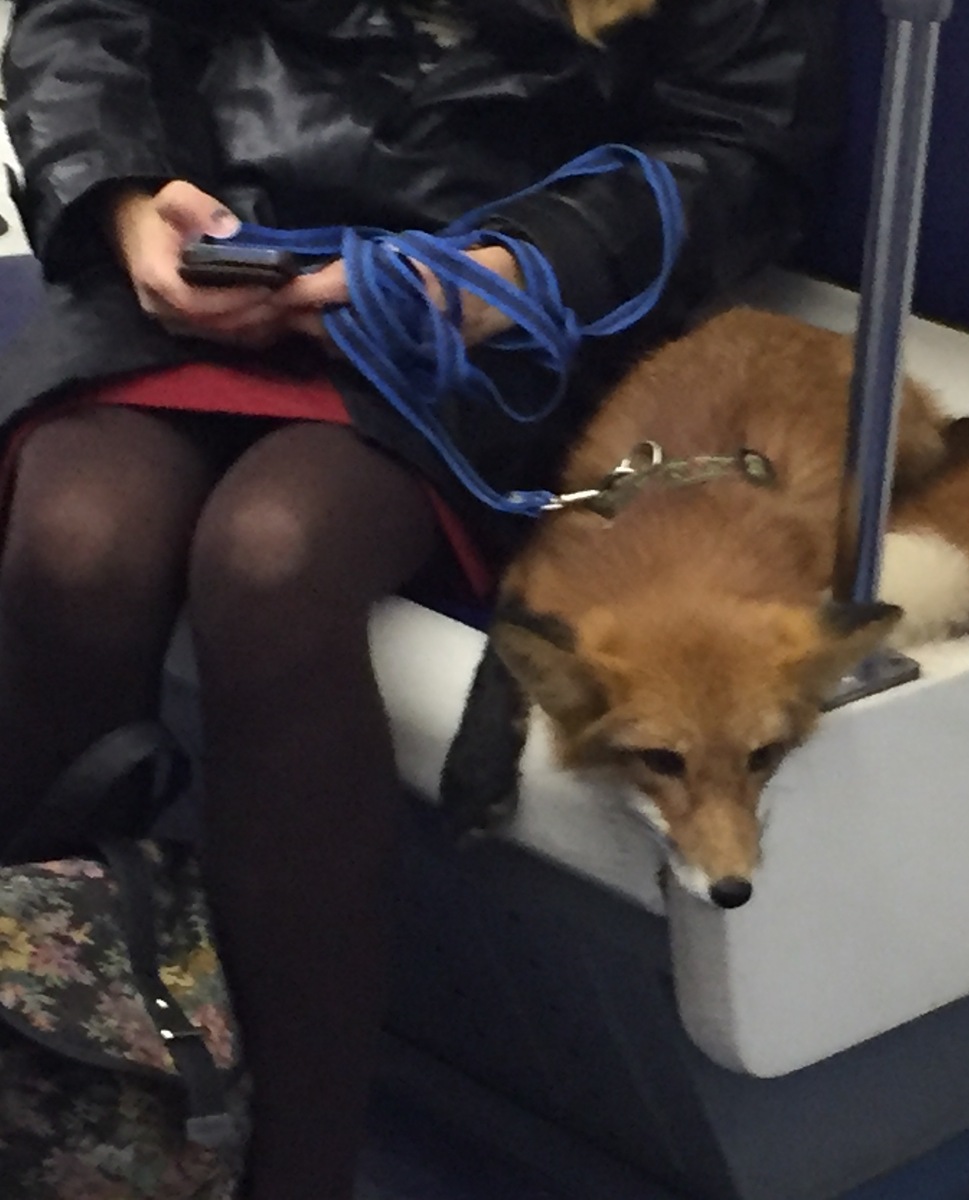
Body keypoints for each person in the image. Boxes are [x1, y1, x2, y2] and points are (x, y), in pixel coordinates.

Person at [0, 1, 840, 1197]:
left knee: (274, 560)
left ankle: (298, 1167)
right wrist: (126, 199)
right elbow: (90, 20)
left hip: (487, 296)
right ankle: (58, 1095)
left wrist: (509, 271)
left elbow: (744, 140)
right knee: (79, 546)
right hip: (213, 233)